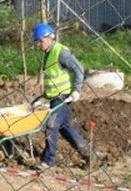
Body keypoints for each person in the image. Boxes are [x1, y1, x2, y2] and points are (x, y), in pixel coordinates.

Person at [32, 21, 92, 168]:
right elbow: (54, 77)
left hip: (64, 96)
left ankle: (48, 160)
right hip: (54, 97)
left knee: (51, 125)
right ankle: (90, 153)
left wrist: (77, 90)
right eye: (37, 42)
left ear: (50, 37)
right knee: (64, 127)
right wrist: (44, 97)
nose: (39, 44)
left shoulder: (61, 52)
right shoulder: (48, 53)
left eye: (41, 41)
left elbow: (79, 69)